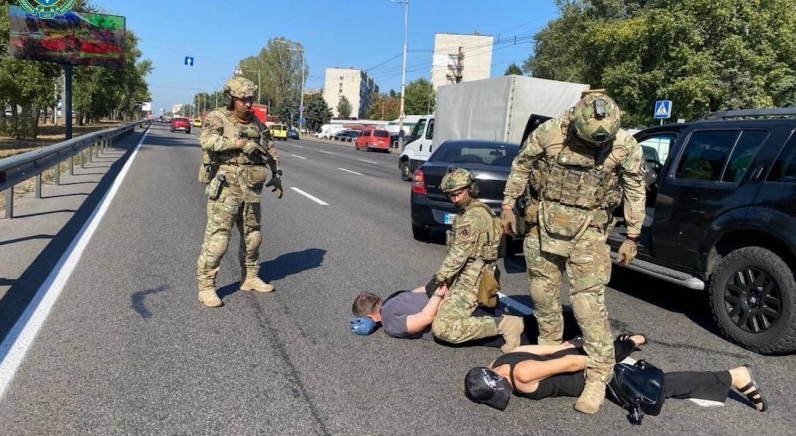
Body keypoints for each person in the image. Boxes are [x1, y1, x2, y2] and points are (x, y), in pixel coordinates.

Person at [499, 90, 646, 413]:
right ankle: (550, 353)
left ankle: (598, 376)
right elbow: (522, 165)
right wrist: (508, 205)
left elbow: (635, 188)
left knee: (587, 305)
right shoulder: (551, 131)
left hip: (589, 231)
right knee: (543, 294)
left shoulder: (624, 145)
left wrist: (632, 235)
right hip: (544, 224)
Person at [463, 334, 769, 415]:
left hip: (589, 376)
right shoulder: (500, 359)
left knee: (654, 390)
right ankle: (629, 342)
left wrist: (607, 359)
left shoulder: (522, 374)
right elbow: (551, 349)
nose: (509, 393)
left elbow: (570, 363)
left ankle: (735, 376)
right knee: (637, 370)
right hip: (575, 357)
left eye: (501, 390)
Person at [196, 75, 283, 308]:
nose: (248, 103)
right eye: (243, 99)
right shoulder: (218, 117)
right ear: (232, 98)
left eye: (250, 99)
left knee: (253, 235)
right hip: (227, 185)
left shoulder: (256, 122)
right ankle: (206, 287)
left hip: (251, 186)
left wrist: (277, 173)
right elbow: (208, 141)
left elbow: (269, 147)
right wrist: (239, 143)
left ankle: (250, 277)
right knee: (218, 239)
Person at [430, 167, 524, 353]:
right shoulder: (475, 211)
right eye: (450, 195)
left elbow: (459, 253)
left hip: (471, 279)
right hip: (472, 275)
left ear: (471, 189)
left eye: (458, 194)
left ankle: (505, 325)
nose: (454, 199)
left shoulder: (472, 217)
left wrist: (439, 278)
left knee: (443, 328)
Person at [351, 282, 537, 347]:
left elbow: (425, 318)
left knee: (516, 334)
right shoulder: (395, 296)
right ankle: (550, 325)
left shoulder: (389, 321)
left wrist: (439, 296)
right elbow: (424, 289)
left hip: (456, 319)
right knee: (526, 324)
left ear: (369, 317)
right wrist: (442, 290)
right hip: (461, 302)